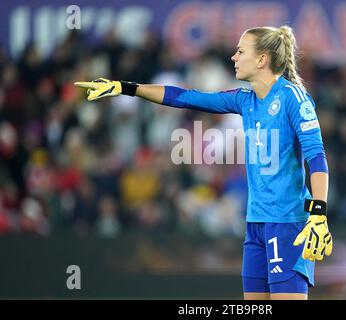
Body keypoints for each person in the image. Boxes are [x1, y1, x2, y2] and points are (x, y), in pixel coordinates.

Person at [75, 25, 332, 300]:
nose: (234, 57)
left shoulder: (293, 97)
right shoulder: (245, 100)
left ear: (262, 59)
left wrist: (318, 213)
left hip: (287, 222)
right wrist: (125, 87)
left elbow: (316, 157)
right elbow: (185, 97)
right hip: (255, 224)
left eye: (240, 51)